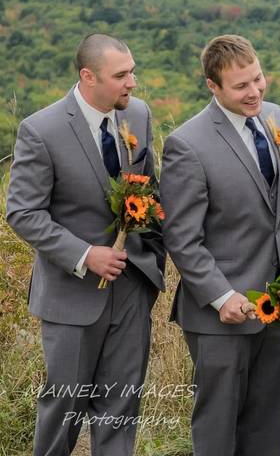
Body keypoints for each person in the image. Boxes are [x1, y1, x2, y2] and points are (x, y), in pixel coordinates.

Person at [6, 33, 165, 455]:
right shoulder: (42, 130)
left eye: (132, 71)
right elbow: (23, 213)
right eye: (121, 75)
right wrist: (84, 254)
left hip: (132, 287)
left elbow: (149, 190)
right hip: (72, 296)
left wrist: (154, 261)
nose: (132, 82)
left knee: (120, 408)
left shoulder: (139, 116)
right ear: (88, 76)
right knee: (64, 407)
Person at [160, 34, 280, 455]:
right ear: (212, 86)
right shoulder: (187, 144)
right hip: (220, 318)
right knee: (218, 429)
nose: (255, 92)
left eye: (258, 78)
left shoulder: (277, 118)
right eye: (241, 86)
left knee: (268, 426)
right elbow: (182, 238)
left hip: (277, 306)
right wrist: (221, 296)